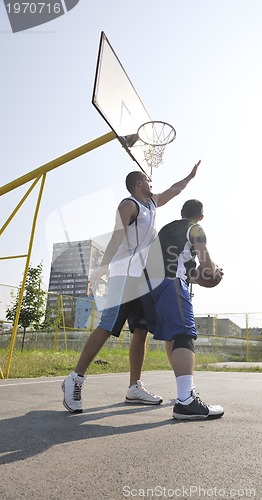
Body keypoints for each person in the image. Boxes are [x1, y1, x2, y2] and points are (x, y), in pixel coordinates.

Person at [62, 163, 200, 413]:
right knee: (108, 324)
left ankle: (134, 387)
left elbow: (174, 190)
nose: (151, 183)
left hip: (142, 278)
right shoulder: (129, 205)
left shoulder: (152, 204)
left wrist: (189, 177)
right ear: (139, 183)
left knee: (141, 329)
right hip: (123, 275)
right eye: (148, 180)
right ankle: (75, 379)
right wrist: (103, 267)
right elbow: (117, 235)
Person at [142, 199, 224, 420]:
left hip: (149, 286)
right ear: (201, 216)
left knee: (172, 336)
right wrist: (215, 271)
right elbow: (206, 265)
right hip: (170, 282)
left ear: (181, 212)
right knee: (184, 333)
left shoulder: (169, 229)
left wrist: (200, 276)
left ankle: (184, 393)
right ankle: (186, 400)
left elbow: (190, 273)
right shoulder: (196, 228)